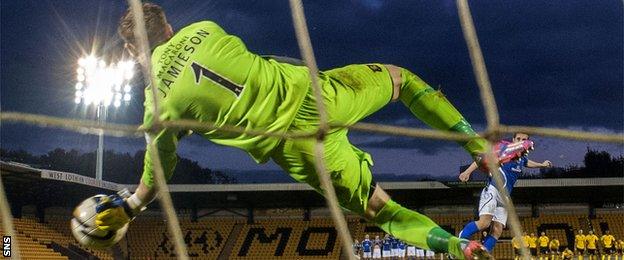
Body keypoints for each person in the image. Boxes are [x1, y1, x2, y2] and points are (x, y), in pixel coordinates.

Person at [90, 3, 538, 259]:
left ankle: (455, 248)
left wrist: (130, 206)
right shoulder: (205, 28)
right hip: (317, 95)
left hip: (297, 149)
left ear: (133, 51)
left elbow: (158, 170)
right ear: (168, 26)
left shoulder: (157, 105)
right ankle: (479, 149)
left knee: (380, 209)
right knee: (401, 80)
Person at [458, 132, 552, 252]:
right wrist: (467, 172)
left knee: (497, 230)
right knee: (484, 223)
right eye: (518, 138)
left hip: (505, 197)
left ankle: (483, 254)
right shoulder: (503, 151)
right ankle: (459, 243)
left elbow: (527, 162)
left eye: (524, 139)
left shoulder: (521, 158)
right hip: (493, 189)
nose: (520, 141)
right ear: (513, 140)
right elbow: (483, 159)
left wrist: (542, 165)